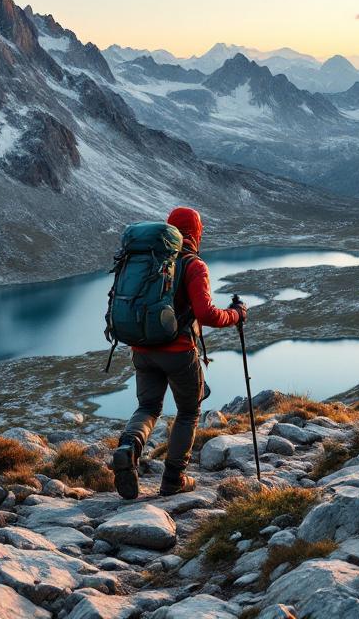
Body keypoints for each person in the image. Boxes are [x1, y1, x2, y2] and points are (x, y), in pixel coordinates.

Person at [111, 206, 246, 499]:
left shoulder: (150, 259)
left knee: (148, 407)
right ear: (196, 233)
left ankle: (128, 447)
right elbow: (206, 314)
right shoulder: (193, 265)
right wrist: (235, 314)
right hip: (178, 352)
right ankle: (173, 479)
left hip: (142, 349)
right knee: (188, 411)